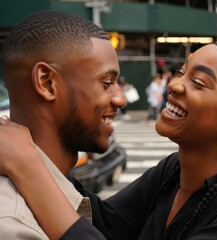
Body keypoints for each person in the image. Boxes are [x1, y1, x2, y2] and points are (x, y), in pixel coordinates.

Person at [0, 38, 217, 239]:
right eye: (181, 73)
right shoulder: (171, 173)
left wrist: (27, 165)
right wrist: (37, 146)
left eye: (198, 83)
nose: (173, 85)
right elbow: (105, 223)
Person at [0, 10, 125, 239]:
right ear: (47, 83)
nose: (121, 99)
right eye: (107, 83)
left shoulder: (58, 190)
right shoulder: (13, 225)